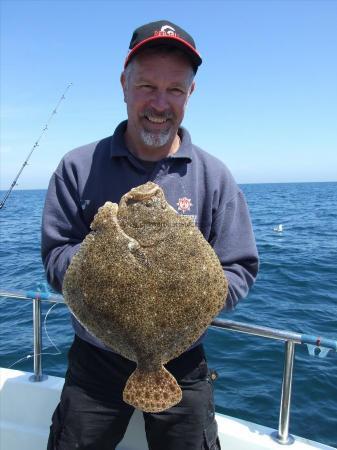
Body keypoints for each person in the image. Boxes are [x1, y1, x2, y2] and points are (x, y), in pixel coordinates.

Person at [42, 20, 259, 450]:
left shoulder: (214, 177)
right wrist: (106, 257)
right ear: (123, 84)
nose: (160, 103)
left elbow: (239, 267)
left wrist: (191, 299)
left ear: (190, 94)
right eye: (146, 86)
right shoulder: (77, 168)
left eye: (175, 90)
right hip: (95, 361)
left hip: (183, 361)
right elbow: (55, 258)